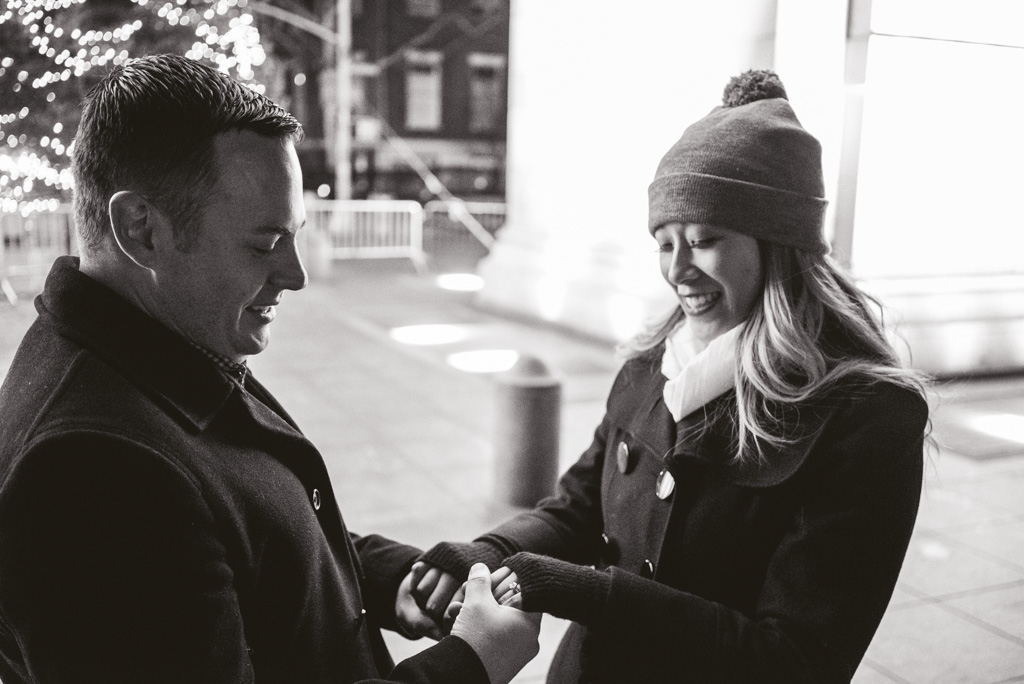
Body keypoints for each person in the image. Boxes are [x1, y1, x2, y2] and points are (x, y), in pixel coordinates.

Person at [0, 54, 539, 684]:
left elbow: (248, 535)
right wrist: (470, 664)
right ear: (141, 230)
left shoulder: (161, 342)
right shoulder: (90, 472)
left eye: (296, 235)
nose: (296, 274)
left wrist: (392, 578)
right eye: (264, 243)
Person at [397, 70, 931, 683]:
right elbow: (577, 509)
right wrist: (492, 551)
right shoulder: (651, 361)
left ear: (779, 243)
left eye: (703, 240)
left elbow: (796, 661)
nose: (678, 271)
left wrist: (594, 594)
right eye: (664, 242)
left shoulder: (866, 416)